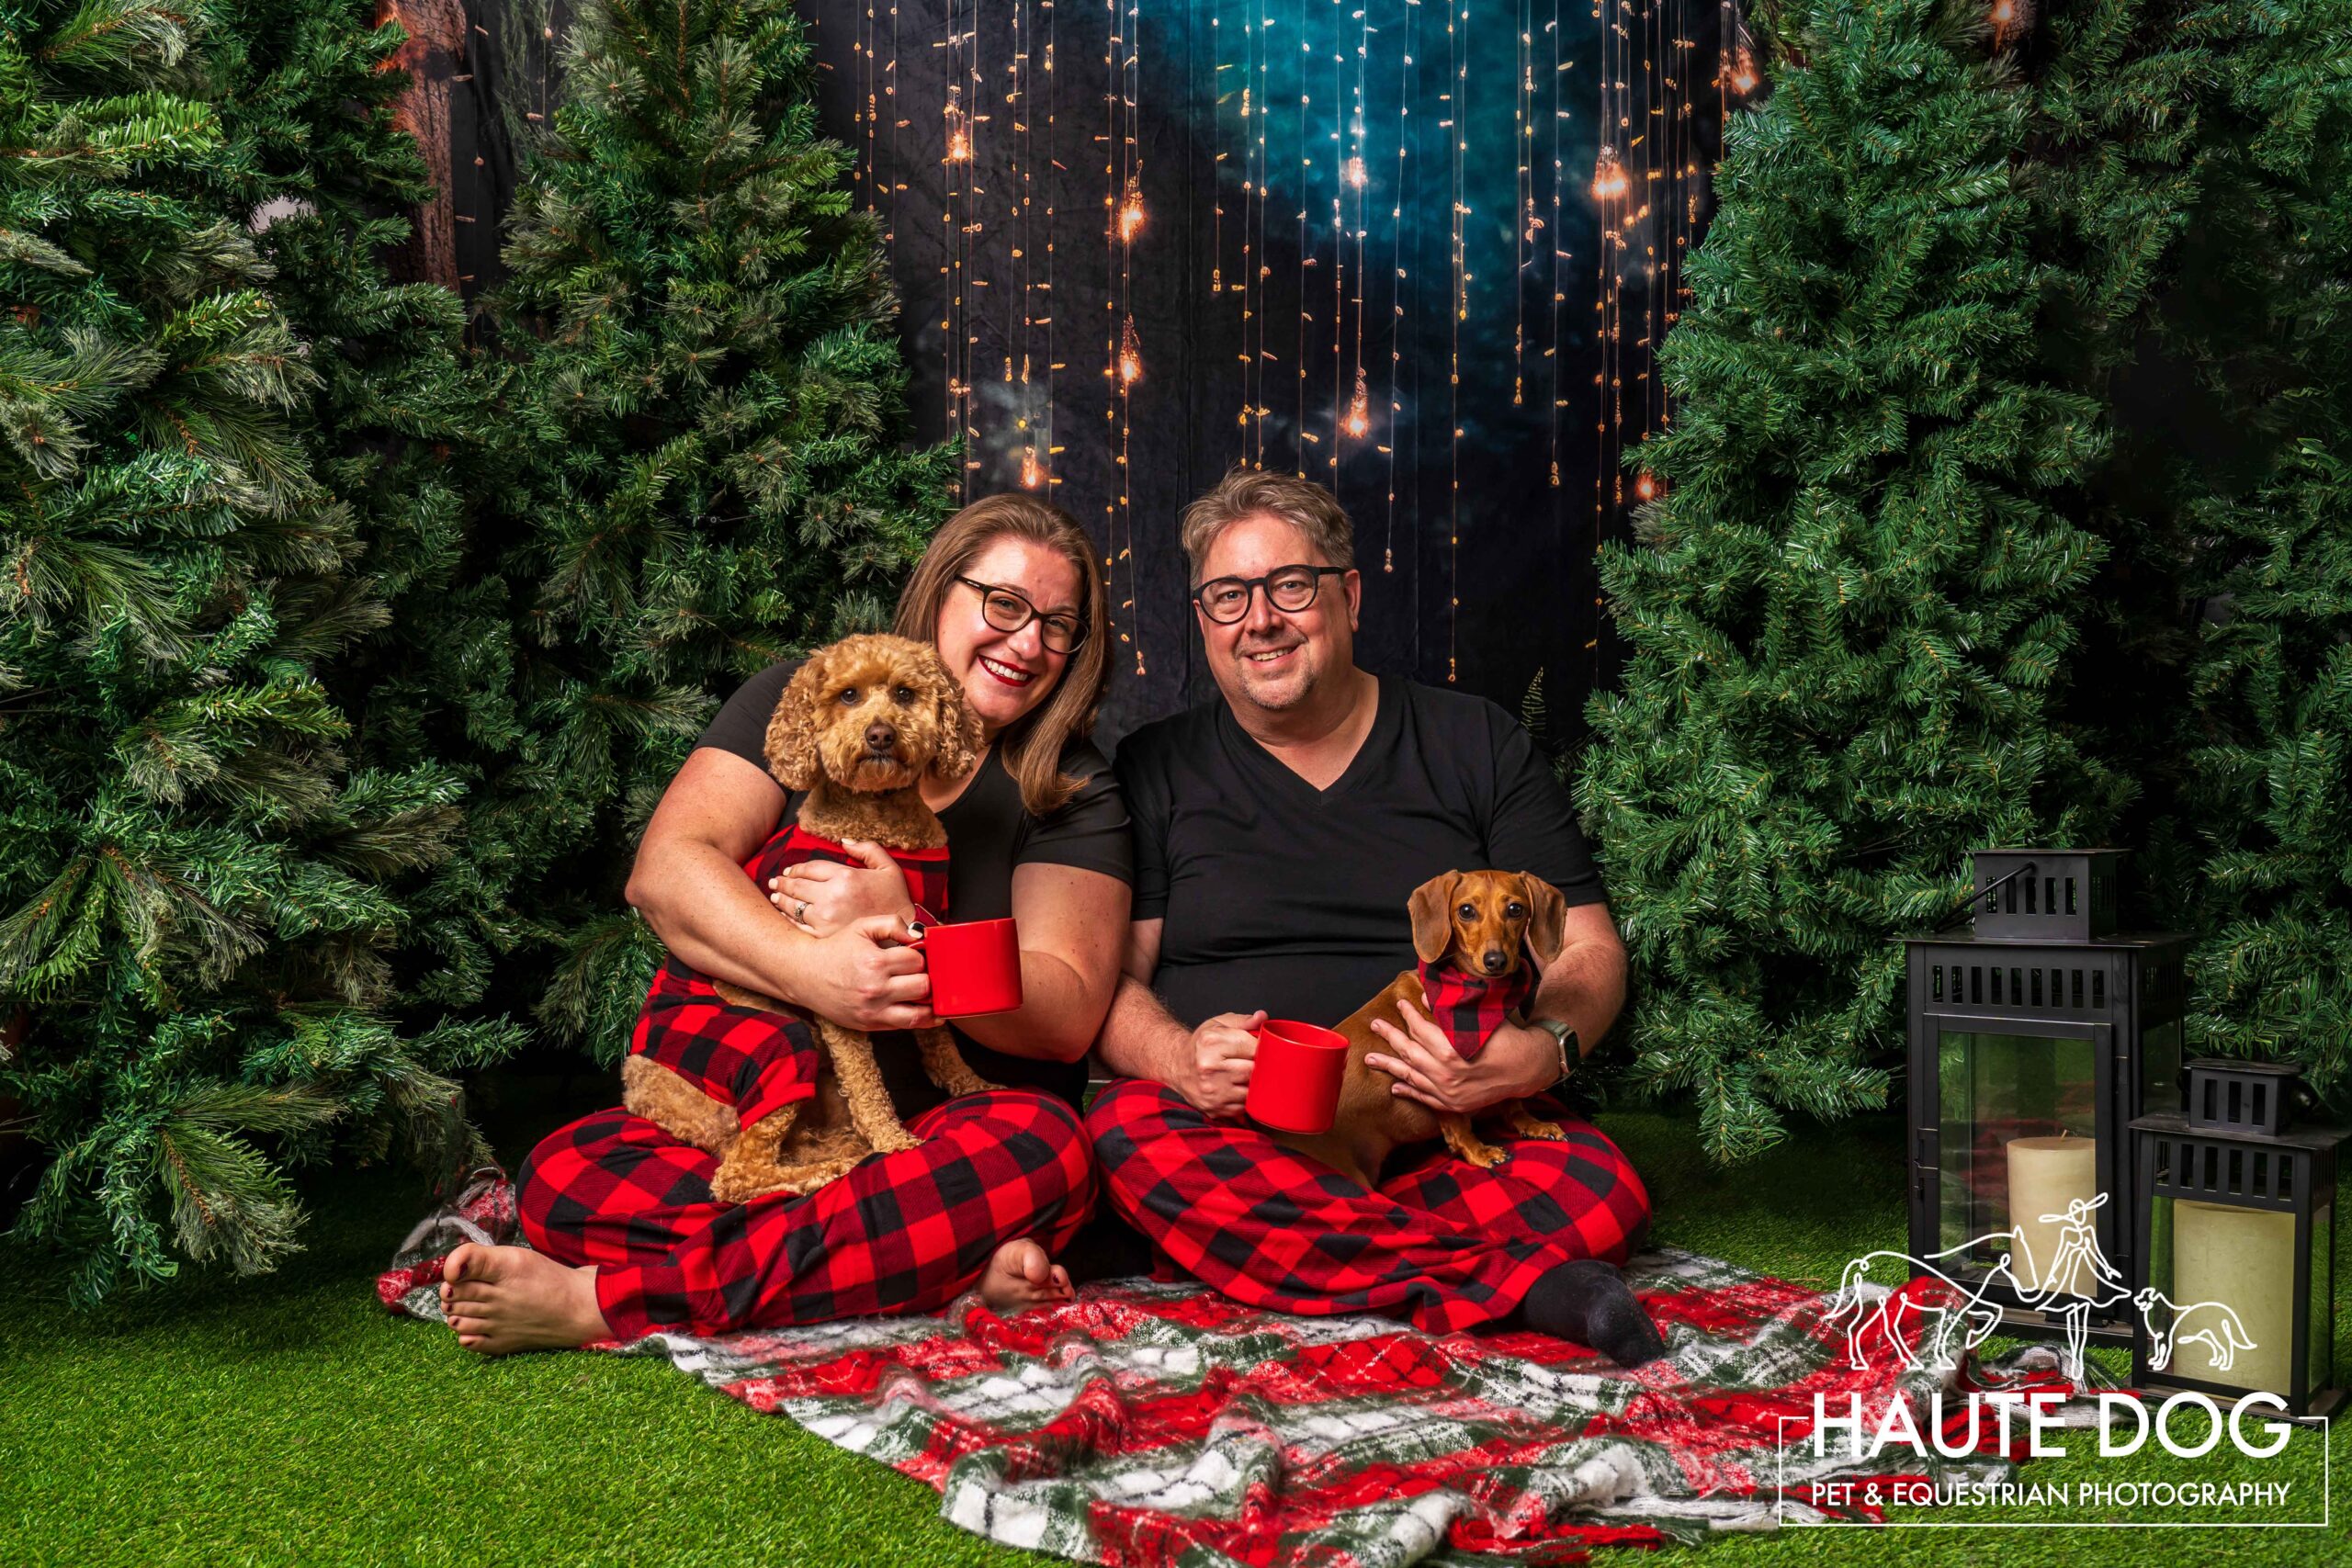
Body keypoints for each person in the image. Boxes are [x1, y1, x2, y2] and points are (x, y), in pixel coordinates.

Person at [441, 494, 1132, 1353]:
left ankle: (613, 1301)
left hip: (942, 1135)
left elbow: (1064, 1014)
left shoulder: (1070, 783)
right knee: (558, 1175)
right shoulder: (806, 693)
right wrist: (812, 973)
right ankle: (927, 1261)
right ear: (940, 591)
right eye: (1005, 605)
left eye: (1059, 626)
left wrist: (908, 926)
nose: (1028, 643)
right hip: (780, 1121)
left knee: (1049, 1146)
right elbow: (667, 872)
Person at [1086, 468, 1663, 1365]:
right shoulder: (1156, 767)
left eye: (1289, 585)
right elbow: (1108, 981)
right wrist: (1175, 1059)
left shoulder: (1474, 741)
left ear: (1347, 594)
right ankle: (1532, 1283)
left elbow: (1587, 947)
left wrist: (1536, 1055)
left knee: (1599, 1186)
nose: (1260, 619)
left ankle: (1295, 1251)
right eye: (1228, 596)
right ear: (1202, 619)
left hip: (1450, 1124)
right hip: (1244, 1131)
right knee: (1130, 1132)